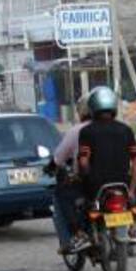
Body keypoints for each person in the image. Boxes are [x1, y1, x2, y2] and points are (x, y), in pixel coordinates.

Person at [77, 86, 136, 244]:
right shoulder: (126, 130)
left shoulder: (87, 132)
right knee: (135, 195)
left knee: (81, 202)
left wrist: (83, 176)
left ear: (93, 108)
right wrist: (132, 190)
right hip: (123, 184)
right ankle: (133, 228)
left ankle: (83, 234)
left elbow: (84, 162)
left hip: (97, 184)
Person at [51, 95, 91, 254]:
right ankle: (132, 230)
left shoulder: (77, 131)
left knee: (61, 194)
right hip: (117, 179)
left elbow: (58, 158)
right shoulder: (117, 127)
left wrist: (51, 168)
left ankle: (76, 235)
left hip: (89, 182)